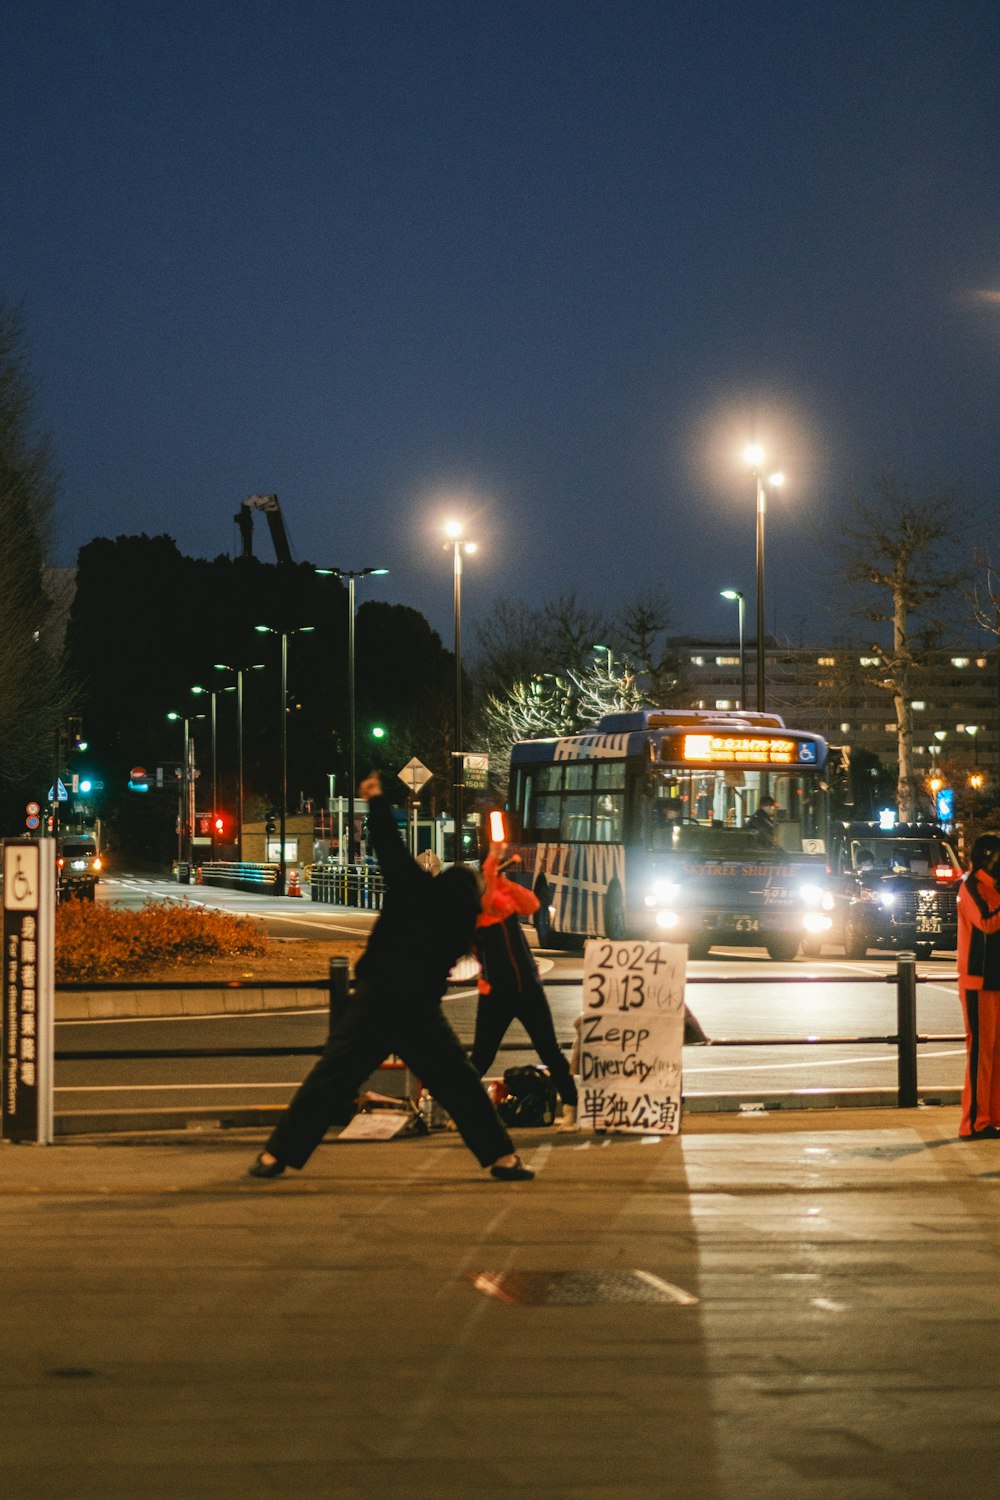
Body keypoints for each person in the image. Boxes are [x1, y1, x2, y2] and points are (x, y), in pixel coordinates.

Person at [248, 773, 533, 1181]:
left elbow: (388, 846)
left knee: (330, 1079)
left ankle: (276, 1156)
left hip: (374, 1000)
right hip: (419, 1011)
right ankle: (502, 1158)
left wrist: (376, 799)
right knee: (459, 1083)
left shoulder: (413, 888)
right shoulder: (462, 923)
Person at [470, 846, 579, 1125]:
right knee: (482, 1055)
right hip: (496, 993)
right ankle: (461, 1109)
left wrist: (503, 881)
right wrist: (492, 867)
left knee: (549, 1050)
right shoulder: (478, 912)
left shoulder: (503, 902)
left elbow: (531, 904)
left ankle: (570, 1107)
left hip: (529, 988)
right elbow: (487, 903)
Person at [956, 833, 1000, 1140]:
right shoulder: (970, 886)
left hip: (994, 978)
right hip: (978, 980)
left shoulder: (992, 886)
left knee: (995, 1053)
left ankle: (990, 1117)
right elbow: (985, 921)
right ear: (988, 857)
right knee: (981, 1051)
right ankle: (973, 1122)